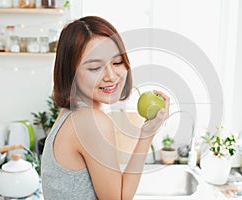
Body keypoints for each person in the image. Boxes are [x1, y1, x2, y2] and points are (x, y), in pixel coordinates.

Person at [41, 16, 170, 200]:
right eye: (94, 68)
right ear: (72, 73)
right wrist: (147, 134)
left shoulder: (71, 113)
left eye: (117, 62)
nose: (111, 76)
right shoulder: (90, 121)